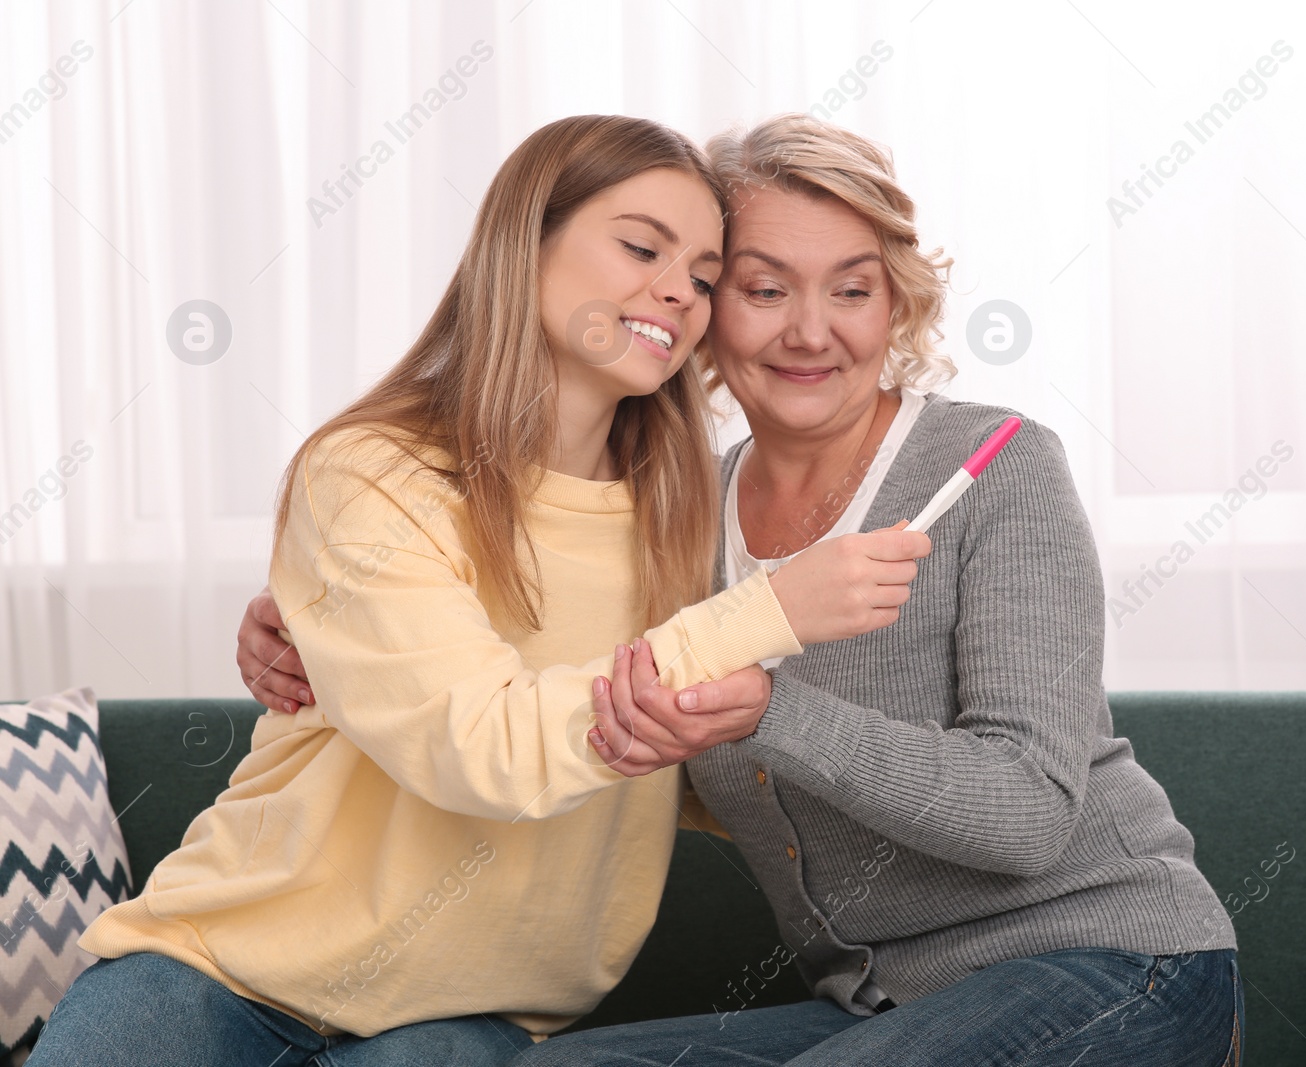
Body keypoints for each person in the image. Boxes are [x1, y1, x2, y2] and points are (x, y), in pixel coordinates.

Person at [241, 114, 1243, 1066]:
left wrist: (771, 708)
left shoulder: (991, 467)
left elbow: (1028, 813)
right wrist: (345, 636)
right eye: (764, 289)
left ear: (894, 303)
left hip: (1112, 963)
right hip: (874, 1005)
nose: (811, 332)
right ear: (704, 305)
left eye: (851, 290)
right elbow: (607, 715)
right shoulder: (679, 509)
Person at [28, 114, 928, 1067]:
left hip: (472, 1016)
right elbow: (479, 748)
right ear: (525, 242)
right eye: (640, 246)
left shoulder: (690, 516)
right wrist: (776, 609)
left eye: (705, 278)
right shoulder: (372, 472)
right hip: (218, 969)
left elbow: (706, 764)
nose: (678, 289)